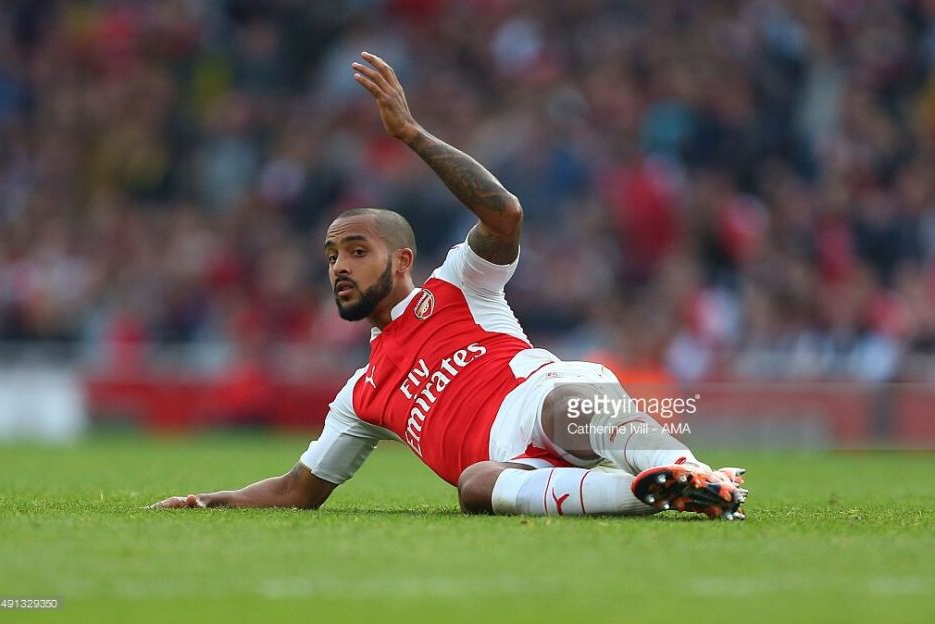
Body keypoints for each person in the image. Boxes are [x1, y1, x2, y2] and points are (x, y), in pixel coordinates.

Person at [150, 52, 748, 519]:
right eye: (331, 256)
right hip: (517, 468)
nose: (340, 267)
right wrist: (209, 500)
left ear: (403, 259)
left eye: (357, 251)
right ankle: (654, 493)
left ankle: (697, 474)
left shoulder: (459, 285)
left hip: (549, 400)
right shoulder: (362, 395)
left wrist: (412, 135)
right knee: (473, 486)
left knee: (566, 407)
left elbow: (505, 214)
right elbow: (296, 491)